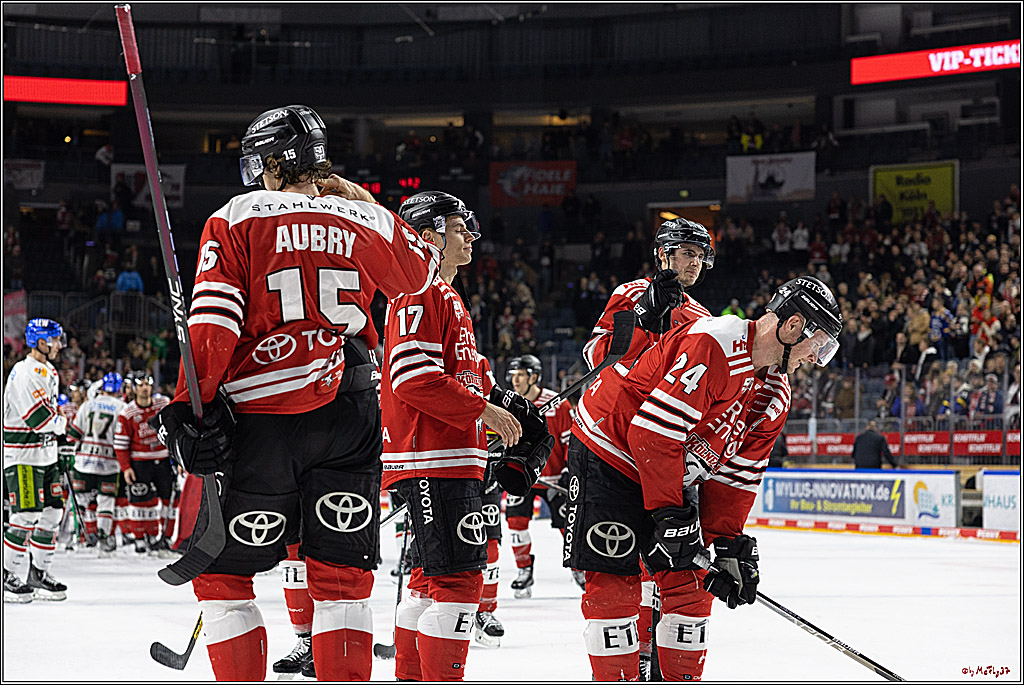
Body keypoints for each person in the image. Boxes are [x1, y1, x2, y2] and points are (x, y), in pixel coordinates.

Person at [148, 104, 441, 682]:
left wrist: (190, 403)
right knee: (341, 580)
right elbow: (417, 278)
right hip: (349, 411)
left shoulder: (236, 217)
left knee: (224, 575)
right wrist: (360, 200)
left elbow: (213, 322)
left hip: (261, 420)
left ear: (277, 161)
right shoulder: (363, 218)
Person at [564, 276, 842, 681]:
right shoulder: (717, 343)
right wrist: (669, 514)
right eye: (818, 345)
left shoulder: (775, 397)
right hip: (611, 450)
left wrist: (726, 541)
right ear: (793, 326)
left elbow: (737, 478)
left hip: (669, 473)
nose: (816, 359)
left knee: (693, 585)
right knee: (615, 584)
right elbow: (652, 434)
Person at [380, 190, 551, 681]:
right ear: (429, 236)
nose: (471, 235)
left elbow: (462, 374)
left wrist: (508, 403)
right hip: (433, 459)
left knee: (427, 580)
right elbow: (412, 378)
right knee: (457, 582)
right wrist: (486, 412)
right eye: (460, 227)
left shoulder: (445, 294)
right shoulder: (421, 291)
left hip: (442, 460)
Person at [579, 217, 713, 678]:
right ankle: (625, 660)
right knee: (617, 572)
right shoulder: (634, 292)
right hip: (612, 445)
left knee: (673, 572)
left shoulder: (703, 319)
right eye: (685, 252)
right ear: (663, 255)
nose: (693, 261)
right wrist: (641, 321)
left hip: (663, 454)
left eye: (699, 254)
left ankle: (662, 658)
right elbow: (597, 357)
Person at [3, 319, 69, 603]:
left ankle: (38, 573)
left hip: (45, 455)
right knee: (25, 516)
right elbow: (38, 419)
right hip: (23, 456)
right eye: (54, 340)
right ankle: (7, 574)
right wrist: (62, 424)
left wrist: (59, 434)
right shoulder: (25, 371)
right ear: (40, 342)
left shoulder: (49, 370)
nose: (58, 345)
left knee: (53, 513)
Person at [502, 354, 575, 600]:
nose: (515, 380)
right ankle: (524, 571)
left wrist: (568, 471)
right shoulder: (507, 405)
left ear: (534, 377)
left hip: (553, 478)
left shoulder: (557, 404)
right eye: (513, 375)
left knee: (569, 525)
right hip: (522, 476)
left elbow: (569, 441)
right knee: (515, 523)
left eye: (521, 375)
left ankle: (580, 568)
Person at [114, 373, 175, 557]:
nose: (145, 388)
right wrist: (126, 468)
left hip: (163, 460)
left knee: (168, 499)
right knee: (141, 501)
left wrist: (178, 460)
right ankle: (140, 536)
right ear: (134, 388)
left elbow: (175, 432)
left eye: (148, 384)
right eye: (140, 385)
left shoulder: (163, 404)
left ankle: (164, 536)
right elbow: (120, 445)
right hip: (140, 462)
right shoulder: (127, 413)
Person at [66, 371, 127, 553]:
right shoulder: (122, 407)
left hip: (84, 461)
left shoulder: (88, 405)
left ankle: (75, 536)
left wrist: (69, 455)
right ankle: (104, 537)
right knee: (106, 502)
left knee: (79, 501)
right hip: (109, 463)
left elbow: (75, 435)